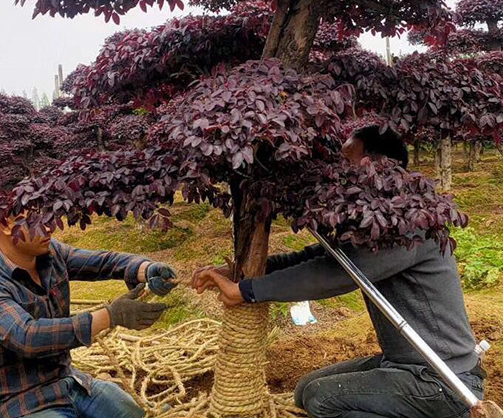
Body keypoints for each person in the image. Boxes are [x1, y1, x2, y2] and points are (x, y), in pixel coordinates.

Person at [192, 125, 485, 418]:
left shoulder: (410, 226)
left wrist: (247, 291)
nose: (337, 170)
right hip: (402, 362)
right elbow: (323, 255)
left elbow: (338, 273)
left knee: (322, 400)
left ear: (377, 165)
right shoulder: (379, 220)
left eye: (347, 159)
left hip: (441, 379)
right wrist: (243, 271)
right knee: (305, 389)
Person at [0, 180, 177, 418]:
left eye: (49, 216)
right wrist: (111, 315)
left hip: (70, 383)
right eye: (36, 220)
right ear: (5, 223)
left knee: (137, 415)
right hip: (20, 403)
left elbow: (103, 262)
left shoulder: (51, 254)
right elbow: (28, 336)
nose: (50, 228)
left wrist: (146, 269)